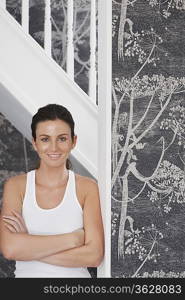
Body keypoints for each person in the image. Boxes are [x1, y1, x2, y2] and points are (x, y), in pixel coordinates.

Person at [0, 104, 104, 278]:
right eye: (45, 139)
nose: (54, 148)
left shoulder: (87, 188)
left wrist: (29, 246)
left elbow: (94, 256)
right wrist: (73, 240)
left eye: (62, 138)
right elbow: (10, 249)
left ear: (73, 141)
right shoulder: (16, 186)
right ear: (35, 143)